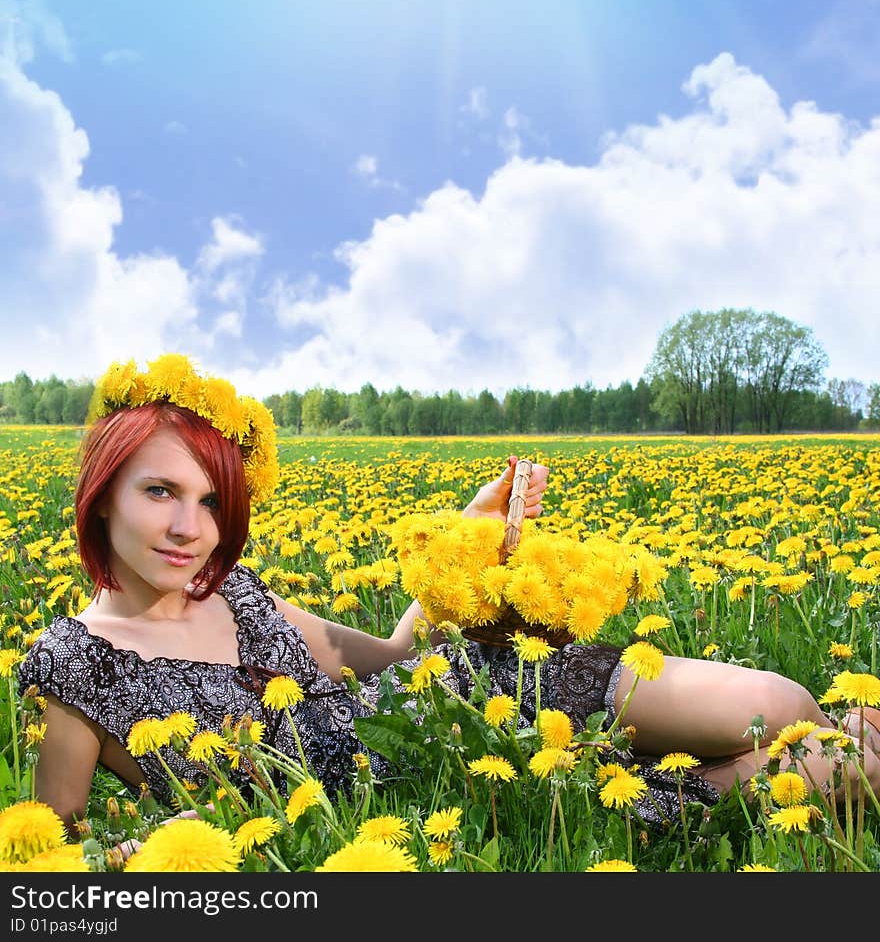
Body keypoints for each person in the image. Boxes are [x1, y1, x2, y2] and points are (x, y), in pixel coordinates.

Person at [18, 354, 880, 840]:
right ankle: (681, 801)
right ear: (102, 495)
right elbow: (53, 853)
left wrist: (469, 529)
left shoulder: (240, 594)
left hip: (472, 696)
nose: (190, 529)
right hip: (429, 789)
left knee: (785, 700)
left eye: (210, 500)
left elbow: (395, 663)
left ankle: (686, 797)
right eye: (160, 492)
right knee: (847, 759)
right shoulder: (72, 666)